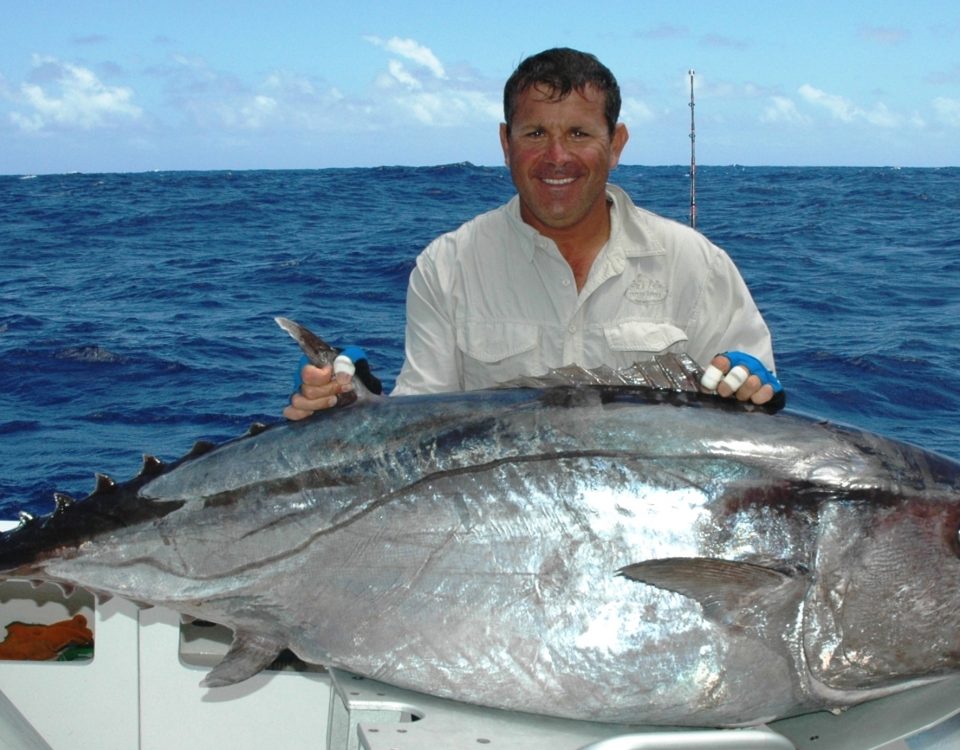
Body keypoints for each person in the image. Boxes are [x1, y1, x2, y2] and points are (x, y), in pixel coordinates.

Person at [284, 47, 781, 421]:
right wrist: (353, 405)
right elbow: (420, 424)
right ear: (506, 142)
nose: (557, 157)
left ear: (616, 144)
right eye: (536, 133)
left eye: (580, 134)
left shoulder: (696, 263)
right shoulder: (448, 265)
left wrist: (758, 394)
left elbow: (758, 430)